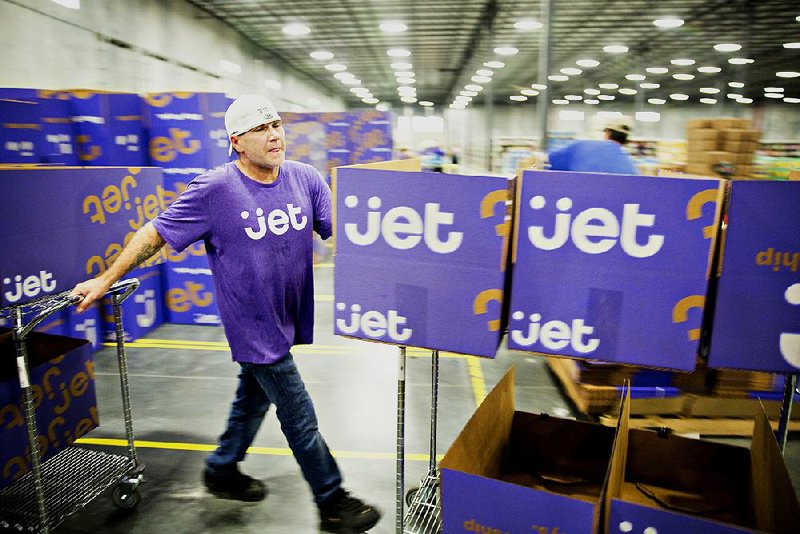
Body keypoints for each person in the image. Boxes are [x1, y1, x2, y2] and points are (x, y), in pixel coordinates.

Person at [71, 94, 381, 533]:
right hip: (253, 324)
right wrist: (105, 279)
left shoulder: (305, 178)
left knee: (252, 399)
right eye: (260, 129)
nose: (274, 134)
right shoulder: (216, 189)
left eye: (276, 124)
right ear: (236, 141)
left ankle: (221, 469)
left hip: (287, 314)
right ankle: (332, 500)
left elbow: (345, 235)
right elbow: (155, 232)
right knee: (298, 413)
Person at [547, 118, 638, 175]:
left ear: (607, 133)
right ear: (626, 139)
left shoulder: (582, 145)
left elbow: (551, 159)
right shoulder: (631, 167)